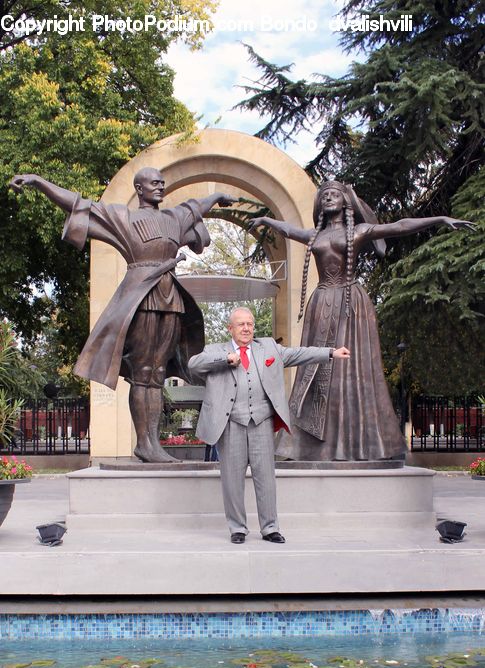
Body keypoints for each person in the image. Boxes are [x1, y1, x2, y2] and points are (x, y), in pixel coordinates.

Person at [9, 168, 235, 463]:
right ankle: (145, 444)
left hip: (171, 297)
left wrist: (217, 196)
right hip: (141, 295)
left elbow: (196, 206)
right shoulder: (123, 217)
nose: (161, 188)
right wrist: (38, 181)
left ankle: (153, 444)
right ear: (139, 189)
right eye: (154, 183)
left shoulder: (173, 218)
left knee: (157, 374)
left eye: (162, 183)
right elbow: (77, 204)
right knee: (142, 373)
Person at [250, 182, 474, 462]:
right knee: (315, 369)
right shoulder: (313, 235)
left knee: (352, 372)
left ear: (346, 202)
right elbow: (286, 229)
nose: (329, 197)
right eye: (325, 195)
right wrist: (266, 219)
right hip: (321, 305)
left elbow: (400, 226)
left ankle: (356, 444)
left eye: (335, 194)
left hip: (350, 303)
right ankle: (307, 445)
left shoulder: (360, 230)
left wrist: (439, 219)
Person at [188, 307, 350, 543]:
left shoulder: (268, 348)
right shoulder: (215, 351)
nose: (246, 328)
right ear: (230, 328)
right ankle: (238, 529)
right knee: (232, 481)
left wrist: (330, 353)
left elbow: (299, 354)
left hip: (261, 423)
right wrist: (225, 360)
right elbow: (194, 364)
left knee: (266, 478)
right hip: (231, 424)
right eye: (241, 324)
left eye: (250, 324)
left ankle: (270, 528)